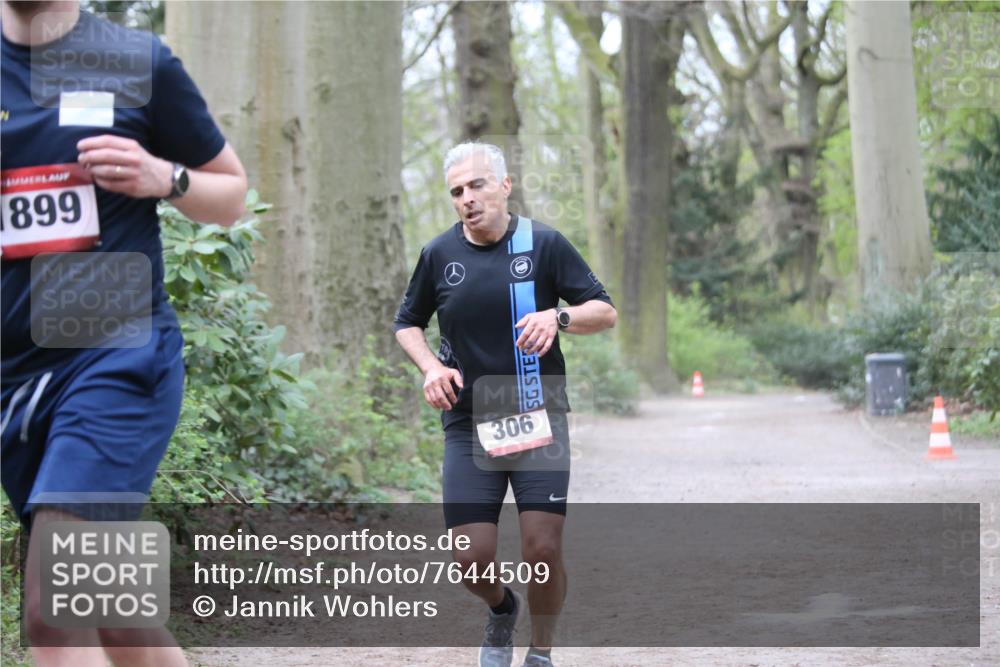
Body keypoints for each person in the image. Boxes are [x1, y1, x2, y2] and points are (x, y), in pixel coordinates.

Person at [1, 2, 247, 665]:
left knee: (57, 597)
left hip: (116, 351)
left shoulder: (138, 62)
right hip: (15, 377)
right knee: (112, 612)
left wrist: (164, 176)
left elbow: (232, 193)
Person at [394, 142, 617, 667]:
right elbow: (407, 323)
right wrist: (432, 368)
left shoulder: (543, 244)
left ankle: (540, 652)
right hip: (470, 421)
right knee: (470, 559)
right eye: (456, 191)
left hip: (537, 412)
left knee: (542, 550)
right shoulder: (439, 255)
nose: (467, 199)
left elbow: (603, 311)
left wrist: (557, 318)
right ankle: (501, 609)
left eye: (476, 185)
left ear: (504, 185)